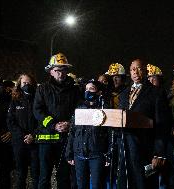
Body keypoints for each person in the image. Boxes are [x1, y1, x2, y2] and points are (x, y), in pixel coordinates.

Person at [117, 58, 174, 189]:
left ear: (145, 71)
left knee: (144, 183)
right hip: (125, 148)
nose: (135, 72)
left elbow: (162, 125)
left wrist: (159, 153)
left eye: (138, 68)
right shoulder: (123, 94)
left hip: (146, 148)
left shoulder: (156, 92)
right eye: (132, 69)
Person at [33, 53, 82, 189]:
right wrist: (53, 125)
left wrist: (70, 123)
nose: (61, 73)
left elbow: (79, 111)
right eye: (57, 70)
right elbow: (38, 111)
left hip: (65, 140)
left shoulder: (74, 90)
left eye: (64, 69)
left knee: (64, 177)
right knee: (44, 177)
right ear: (51, 71)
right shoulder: (42, 88)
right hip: (46, 141)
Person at [66, 79, 109, 189]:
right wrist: (69, 153)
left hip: (96, 155)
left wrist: (109, 154)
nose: (88, 91)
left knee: (97, 185)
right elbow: (72, 132)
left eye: (91, 89)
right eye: (86, 89)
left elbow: (109, 134)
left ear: (98, 92)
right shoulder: (79, 109)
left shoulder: (104, 110)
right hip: (79, 154)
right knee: (81, 186)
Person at [7, 73, 39, 189]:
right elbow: (11, 121)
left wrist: (33, 135)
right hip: (19, 143)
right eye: (24, 83)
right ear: (19, 84)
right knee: (21, 174)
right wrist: (23, 136)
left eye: (29, 83)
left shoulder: (38, 99)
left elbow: (41, 121)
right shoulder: (15, 101)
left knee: (36, 174)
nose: (27, 85)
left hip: (35, 142)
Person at [0, 75, 13, 189]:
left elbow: (16, 119)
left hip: (3, 142)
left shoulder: (9, 100)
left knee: (4, 173)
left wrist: (11, 132)